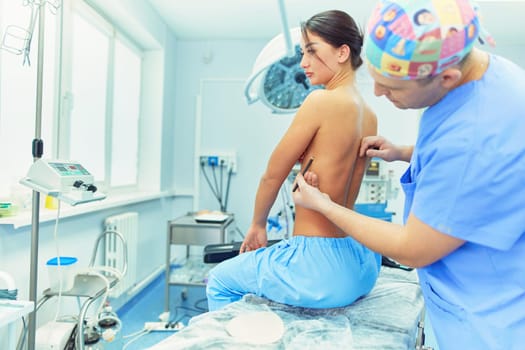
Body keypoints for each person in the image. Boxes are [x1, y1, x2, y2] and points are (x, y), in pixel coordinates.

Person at [292, 0, 525, 349]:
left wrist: (323, 205)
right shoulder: (486, 74)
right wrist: (404, 152)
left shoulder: (478, 137)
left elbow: (412, 249)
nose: (378, 93)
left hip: (486, 327)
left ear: (447, 77)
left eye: (393, 88)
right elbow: (463, 161)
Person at [206, 10, 381, 311]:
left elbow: (272, 176)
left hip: (317, 269)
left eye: (311, 51)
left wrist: (257, 225)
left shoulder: (320, 101)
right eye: (303, 53)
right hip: (358, 263)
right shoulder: (370, 116)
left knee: (219, 281)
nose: (302, 63)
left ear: (342, 52)